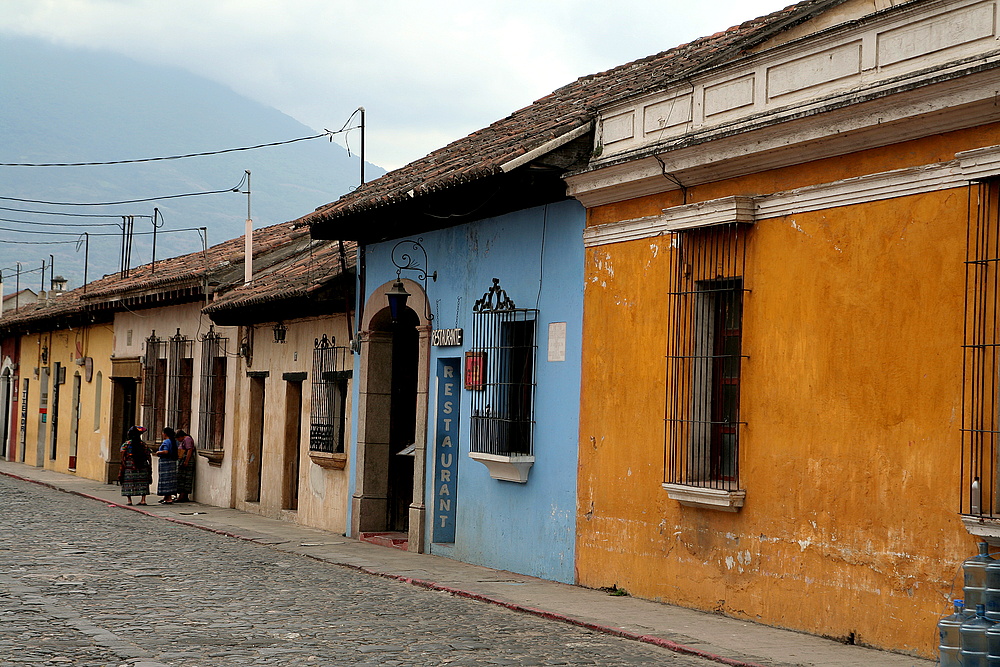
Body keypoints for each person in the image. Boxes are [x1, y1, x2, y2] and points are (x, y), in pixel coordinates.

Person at [118, 425, 151, 506]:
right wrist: (149, 465)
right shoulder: (143, 444)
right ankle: (143, 500)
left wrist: (123, 463)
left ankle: (129, 500)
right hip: (142, 465)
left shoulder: (126, 444)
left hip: (130, 465)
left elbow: (122, 454)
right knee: (143, 482)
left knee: (128, 482)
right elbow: (148, 455)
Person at [154, 427, 179, 504]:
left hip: (165, 462)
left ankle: (168, 498)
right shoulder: (174, 442)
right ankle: (167, 496)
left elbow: (166, 451)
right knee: (170, 479)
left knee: (165, 479)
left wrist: (158, 452)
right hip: (172, 462)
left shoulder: (166, 442)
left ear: (165, 434)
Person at [175, 428, 196, 503]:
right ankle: (182, 495)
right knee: (182, 477)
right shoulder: (184, 440)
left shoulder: (187, 439)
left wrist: (186, 461)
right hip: (183, 460)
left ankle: (183, 495)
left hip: (187, 460)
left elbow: (189, 450)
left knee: (185, 478)